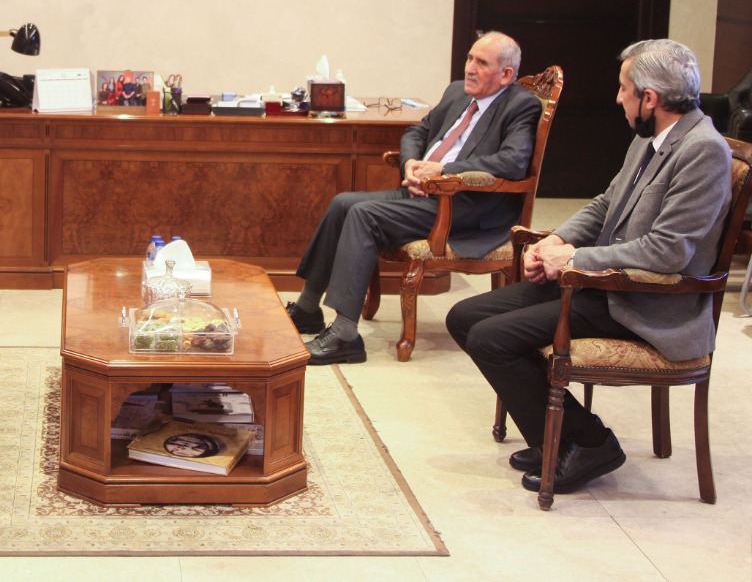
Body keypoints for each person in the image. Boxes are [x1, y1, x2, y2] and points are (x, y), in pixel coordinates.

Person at [446, 39, 731, 496]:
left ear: (650, 98)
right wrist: (557, 241)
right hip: (604, 283)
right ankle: (555, 439)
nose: (618, 98)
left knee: (492, 339)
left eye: (624, 89)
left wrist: (574, 260)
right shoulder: (650, 137)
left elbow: (667, 252)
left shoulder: (703, 151)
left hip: (645, 301)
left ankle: (590, 443)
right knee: (465, 317)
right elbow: (605, 204)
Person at [287, 32, 541, 365]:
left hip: (465, 207)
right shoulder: (457, 92)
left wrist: (444, 170)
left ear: (505, 74)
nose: (469, 68)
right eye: (469, 58)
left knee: (364, 215)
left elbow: (513, 161)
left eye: (481, 63)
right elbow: (416, 132)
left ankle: (345, 335)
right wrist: (410, 164)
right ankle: (308, 309)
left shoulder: (520, 105)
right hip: (423, 193)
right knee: (343, 203)